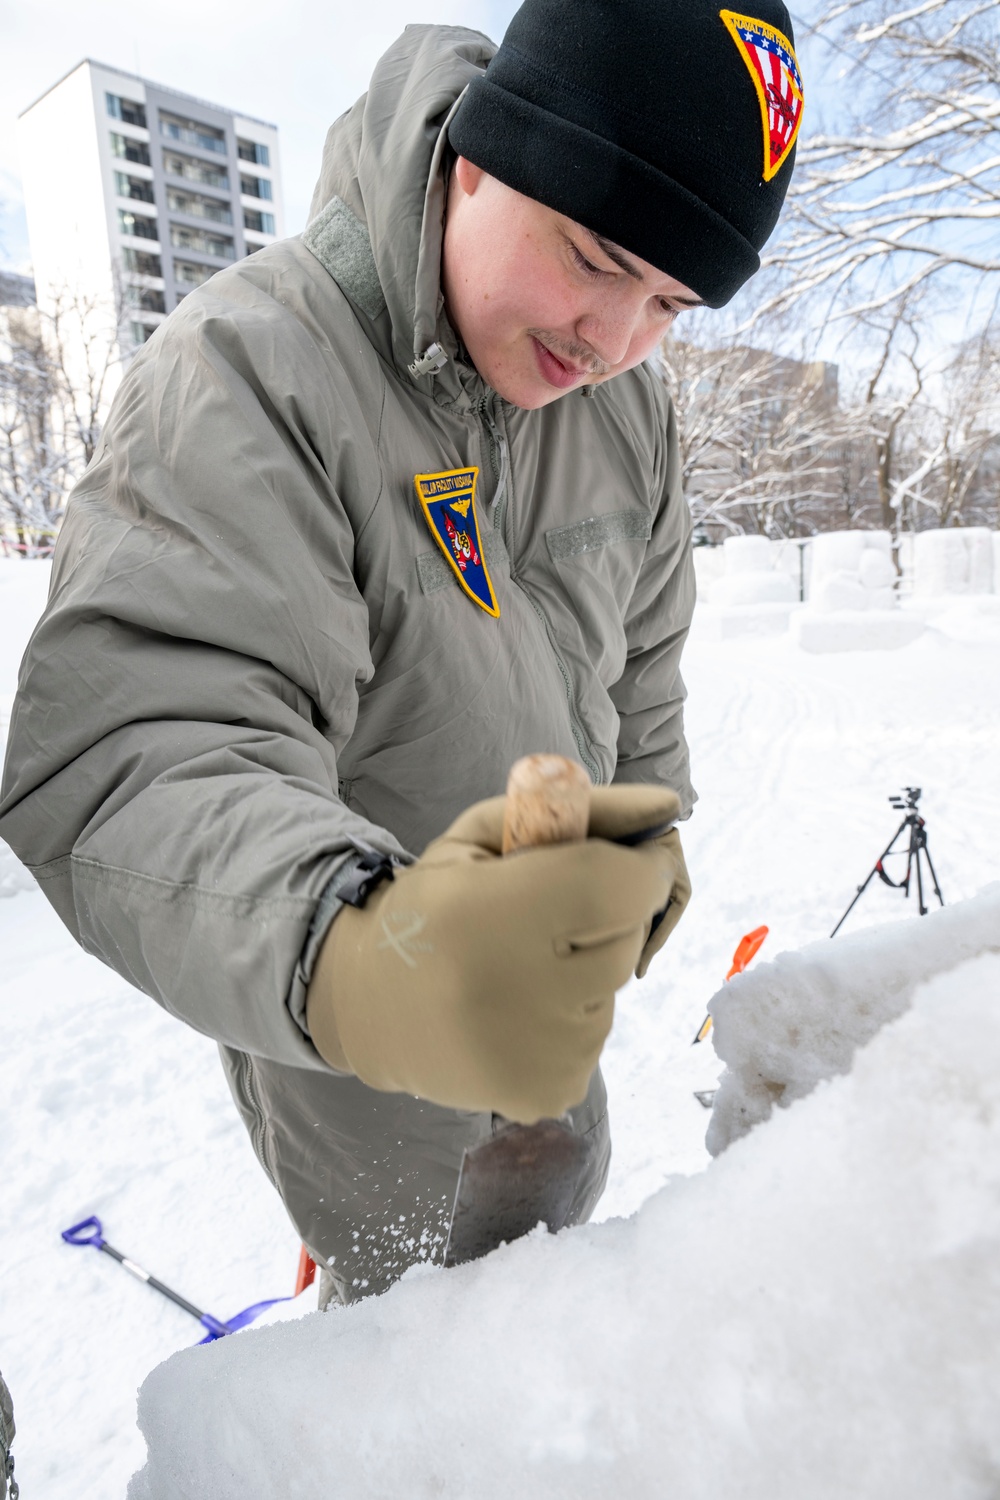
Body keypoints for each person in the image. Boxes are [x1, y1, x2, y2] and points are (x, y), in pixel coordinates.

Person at [0, 0, 801, 1305]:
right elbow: (136, 740)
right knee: (407, 1359)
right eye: (598, 257)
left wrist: (639, 852)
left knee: (551, 1286)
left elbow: (643, 676)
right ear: (484, 156)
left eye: (669, 302)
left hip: (549, 1030)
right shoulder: (254, 371)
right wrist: (372, 955)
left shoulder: (627, 416)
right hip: (357, 1050)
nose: (617, 343)